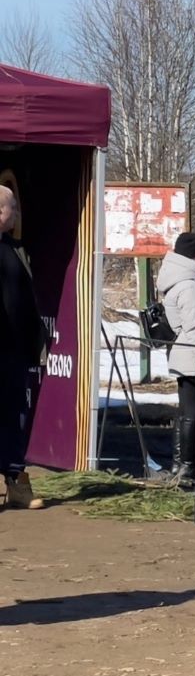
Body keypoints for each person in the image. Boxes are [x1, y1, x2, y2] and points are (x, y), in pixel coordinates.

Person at [0, 184, 46, 511]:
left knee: (14, 414)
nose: (15, 213)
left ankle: (16, 482)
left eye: (15, 207)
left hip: (14, 350)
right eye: (10, 208)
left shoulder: (14, 249)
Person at [157, 232, 195, 489]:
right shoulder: (190, 285)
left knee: (187, 413)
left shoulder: (177, 280)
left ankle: (181, 466)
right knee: (193, 415)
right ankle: (187, 468)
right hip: (194, 355)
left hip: (184, 354)